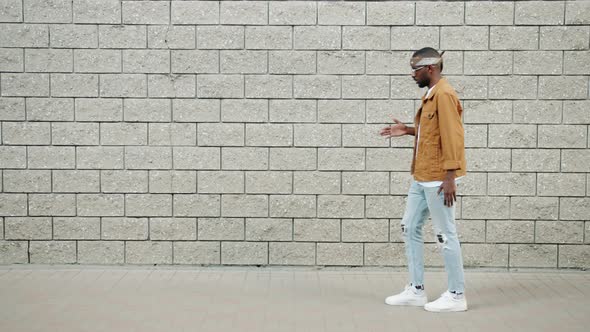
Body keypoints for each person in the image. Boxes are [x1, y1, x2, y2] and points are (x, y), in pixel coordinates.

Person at [379, 47, 467, 312]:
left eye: (416, 69)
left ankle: (456, 295)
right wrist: (407, 130)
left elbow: (453, 136)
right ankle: (416, 290)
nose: (412, 75)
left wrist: (450, 176)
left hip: (439, 178)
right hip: (421, 176)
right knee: (409, 227)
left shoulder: (444, 94)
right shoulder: (431, 95)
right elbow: (432, 132)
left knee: (445, 235)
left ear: (430, 69)